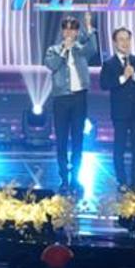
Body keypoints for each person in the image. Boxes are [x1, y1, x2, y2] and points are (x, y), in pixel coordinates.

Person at [43, 12, 97, 194]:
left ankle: (75, 178)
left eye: (72, 29)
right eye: (66, 29)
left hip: (79, 98)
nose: (69, 32)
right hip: (61, 99)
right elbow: (52, 65)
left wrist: (89, 27)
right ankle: (64, 179)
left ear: (76, 32)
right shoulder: (53, 50)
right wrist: (64, 50)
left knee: (78, 140)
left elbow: (93, 49)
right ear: (62, 32)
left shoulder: (81, 49)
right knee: (61, 141)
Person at [100, 27, 135, 190]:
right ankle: (122, 181)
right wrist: (123, 77)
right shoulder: (109, 64)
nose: (125, 43)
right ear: (115, 43)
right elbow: (104, 84)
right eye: (121, 39)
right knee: (119, 148)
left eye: (127, 39)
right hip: (120, 112)